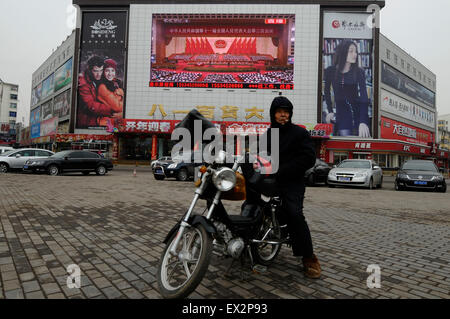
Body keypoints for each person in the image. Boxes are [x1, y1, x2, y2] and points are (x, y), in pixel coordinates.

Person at [245, 96, 321, 279]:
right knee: (250, 205)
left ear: (290, 114)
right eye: (279, 112)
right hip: (269, 181)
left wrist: (283, 169)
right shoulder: (267, 135)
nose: (283, 115)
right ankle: (245, 243)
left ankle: (309, 257)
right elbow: (261, 157)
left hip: (292, 182)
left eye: (286, 112)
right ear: (273, 114)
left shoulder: (299, 133)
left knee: (294, 213)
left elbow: (309, 158)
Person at [324, 40, 371, 137]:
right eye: (351, 51)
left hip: (357, 111)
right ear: (343, 52)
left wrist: (363, 121)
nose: (355, 54)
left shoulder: (359, 72)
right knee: (344, 141)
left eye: (356, 51)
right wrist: (330, 111)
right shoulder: (330, 71)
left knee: (360, 142)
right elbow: (327, 92)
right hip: (342, 112)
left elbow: (364, 98)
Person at [77, 56, 116, 129]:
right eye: (95, 71)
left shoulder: (100, 79)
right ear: (89, 70)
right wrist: (112, 109)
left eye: (101, 70)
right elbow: (91, 105)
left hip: (99, 118)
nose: (99, 74)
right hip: (87, 122)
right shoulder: (83, 83)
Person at [96, 58, 124, 127]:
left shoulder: (117, 83)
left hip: (116, 123)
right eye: (107, 71)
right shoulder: (102, 86)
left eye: (112, 70)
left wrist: (122, 113)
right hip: (105, 124)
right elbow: (117, 107)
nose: (110, 74)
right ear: (103, 72)